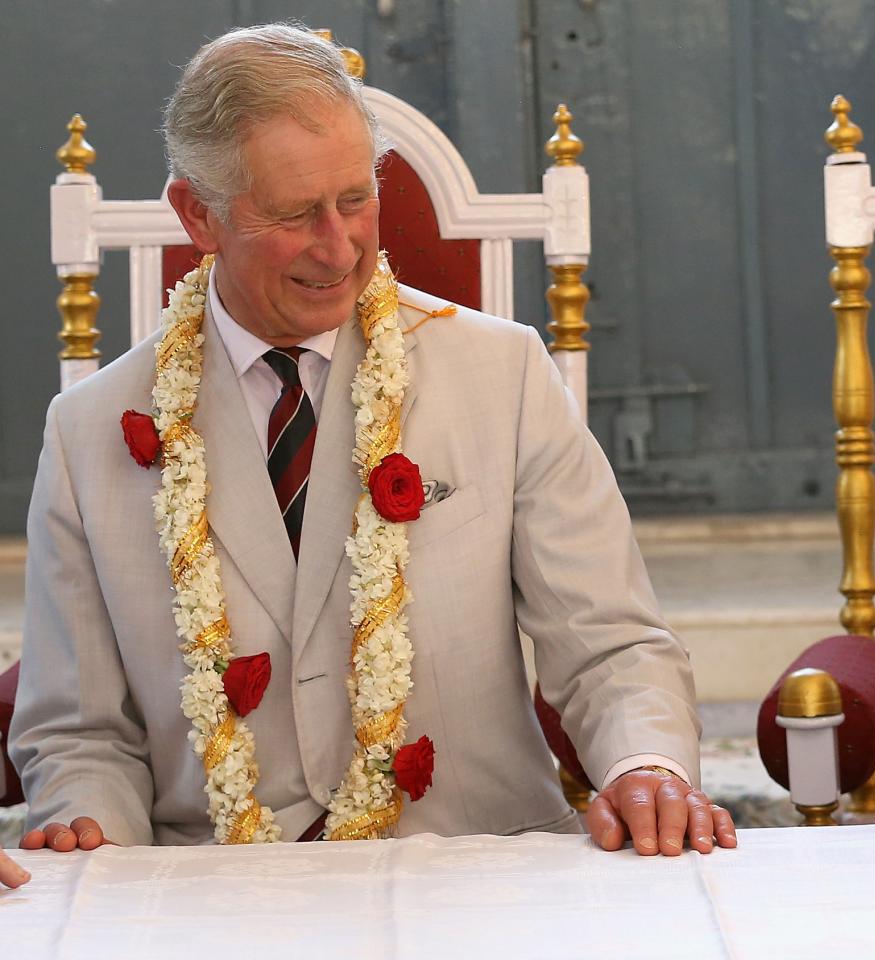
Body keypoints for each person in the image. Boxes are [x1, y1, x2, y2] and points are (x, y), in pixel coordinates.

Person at [3, 24, 733, 887]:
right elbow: (81, 733)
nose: (340, 244)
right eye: (292, 214)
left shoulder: (503, 375)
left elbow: (610, 646)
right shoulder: (90, 430)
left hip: (481, 882)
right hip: (218, 901)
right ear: (198, 214)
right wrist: (95, 846)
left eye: (356, 198)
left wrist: (646, 765)